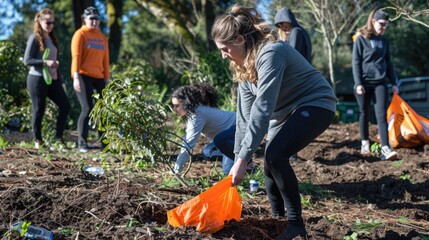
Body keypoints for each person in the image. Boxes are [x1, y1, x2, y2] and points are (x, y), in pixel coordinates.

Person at [211, 4, 338, 240]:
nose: (223, 55)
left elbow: (262, 109)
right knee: (270, 164)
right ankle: (278, 222)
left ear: (239, 39)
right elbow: (245, 118)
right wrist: (241, 155)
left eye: (225, 48)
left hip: (315, 103)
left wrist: (242, 160)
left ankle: (295, 224)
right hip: (285, 111)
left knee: (275, 156)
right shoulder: (244, 69)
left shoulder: (271, 53)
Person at [352, 9, 399, 160]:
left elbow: (389, 62)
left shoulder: (384, 41)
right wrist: (358, 83)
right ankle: (365, 143)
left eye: (386, 25)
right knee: (364, 113)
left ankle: (385, 148)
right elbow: (356, 62)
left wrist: (394, 82)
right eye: (382, 24)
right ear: (373, 21)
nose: (384, 27)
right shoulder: (361, 39)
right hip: (364, 84)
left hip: (380, 83)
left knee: (381, 116)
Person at [23, 8, 71, 149]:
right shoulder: (35, 38)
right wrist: (45, 62)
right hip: (37, 78)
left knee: (65, 106)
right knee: (39, 109)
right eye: (48, 22)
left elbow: (54, 61)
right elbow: (27, 60)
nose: (50, 25)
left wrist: (61, 81)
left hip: (52, 79)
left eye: (52, 22)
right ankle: (38, 140)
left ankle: (58, 138)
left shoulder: (51, 38)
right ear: (40, 21)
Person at [171, 84, 236, 175]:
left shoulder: (197, 115)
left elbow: (188, 144)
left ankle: (248, 164)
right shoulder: (194, 114)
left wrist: (176, 171)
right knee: (208, 152)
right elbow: (187, 140)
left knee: (228, 170)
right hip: (224, 139)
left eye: (177, 106)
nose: (174, 109)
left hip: (238, 129)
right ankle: (237, 157)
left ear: (186, 104)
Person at [71, 6, 110, 152]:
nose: (94, 21)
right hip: (82, 75)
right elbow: (76, 56)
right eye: (91, 18)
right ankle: (82, 143)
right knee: (87, 109)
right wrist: (75, 76)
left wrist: (107, 78)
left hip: (99, 77)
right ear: (85, 19)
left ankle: (105, 144)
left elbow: (106, 60)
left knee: (102, 110)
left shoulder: (102, 38)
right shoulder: (80, 34)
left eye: (96, 18)